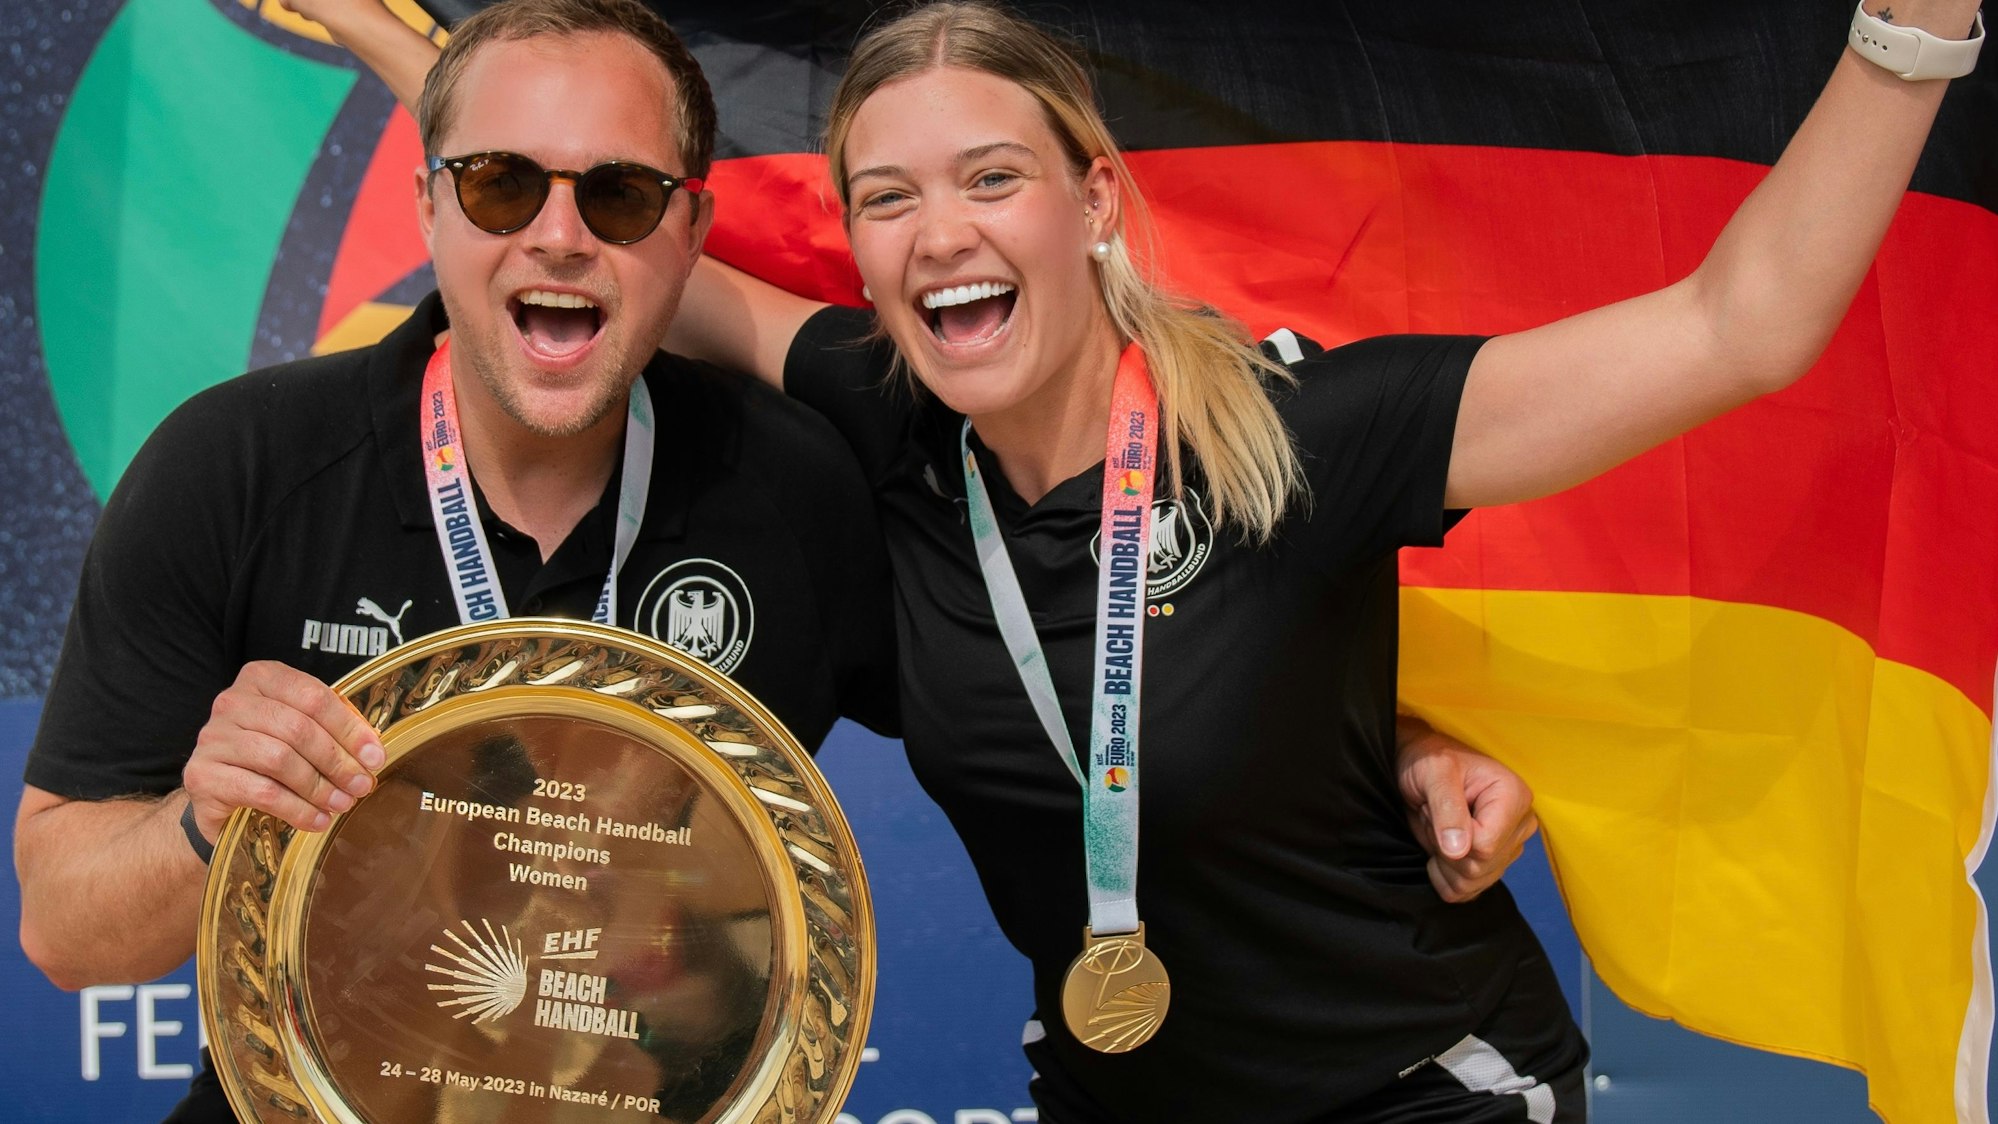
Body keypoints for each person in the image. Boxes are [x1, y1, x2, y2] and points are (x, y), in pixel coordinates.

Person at [14, 2, 1541, 1123]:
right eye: (497, 189)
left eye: (616, 198)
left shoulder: (789, 489)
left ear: (687, 244)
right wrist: (211, 828)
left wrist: (1379, 740)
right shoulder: (242, 467)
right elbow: (65, 933)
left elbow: (1063, 665)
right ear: (432, 208)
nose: (557, 236)